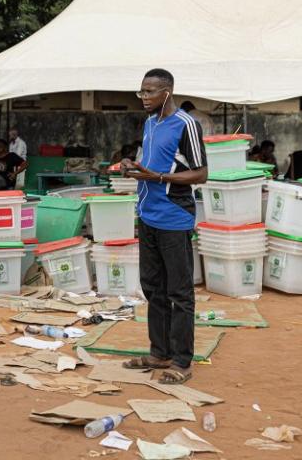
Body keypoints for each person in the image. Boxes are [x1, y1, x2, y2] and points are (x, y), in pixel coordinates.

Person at [120, 68, 207, 386]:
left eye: (149, 92)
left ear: (166, 93)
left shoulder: (186, 125)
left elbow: (200, 174)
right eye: (141, 91)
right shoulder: (149, 123)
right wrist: (134, 165)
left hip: (174, 217)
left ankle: (182, 361)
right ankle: (160, 353)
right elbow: (153, 162)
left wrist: (157, 178)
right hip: (147, 215)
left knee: (179, 292)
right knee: (152, 287)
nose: (143, 97)